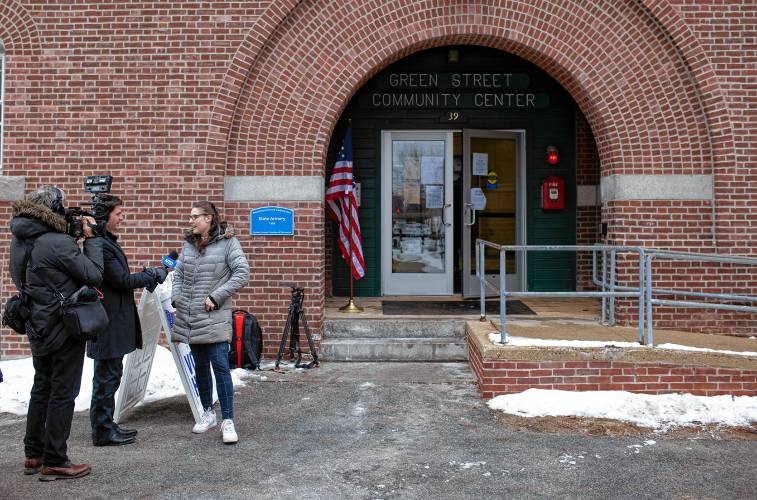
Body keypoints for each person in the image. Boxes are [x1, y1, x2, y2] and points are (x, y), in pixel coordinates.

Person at [9, 186, 104, 481]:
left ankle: (33, 454)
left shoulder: (20, 239)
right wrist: (91, 240)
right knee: (63, 391)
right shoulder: (57, 242)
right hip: (62, 326)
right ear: (53, 209)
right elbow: (93, 274)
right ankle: (55, 459)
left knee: (42, 386)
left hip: (36, 323)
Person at [87, 194, 166, 447]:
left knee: (111, 375)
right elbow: (121, 281)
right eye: (119, 213)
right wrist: (150, 274)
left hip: (113, 321)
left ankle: (107, 424)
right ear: (105, 216)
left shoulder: (105, 242)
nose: (123, 218)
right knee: (106, 377)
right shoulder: (100, 244)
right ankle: (102, 430)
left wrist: (148, 275)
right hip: (107, 322)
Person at [172, 201, 249, 444]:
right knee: (200, 367)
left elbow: (242, 273)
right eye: (190, 216)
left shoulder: (228, 243)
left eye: (195, 217)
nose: (191, 221)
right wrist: (176, 297)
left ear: (209, 219)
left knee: (220, 367)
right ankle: (207, 413)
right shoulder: (189, 244)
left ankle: (228, 420)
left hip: (214, 316)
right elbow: (179, 274)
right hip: (191, 316)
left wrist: (216, 296)